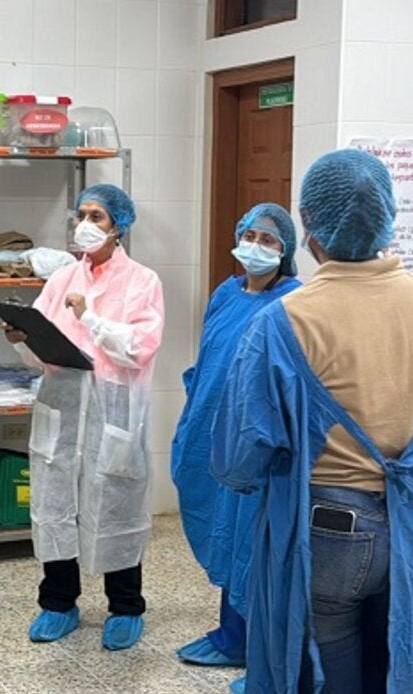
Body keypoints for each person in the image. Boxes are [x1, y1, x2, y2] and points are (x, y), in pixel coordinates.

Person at [212, 149, 413, 693]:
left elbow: (239, 460)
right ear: (389, 217)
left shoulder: (284, 321)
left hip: (330, 534)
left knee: (327, 674)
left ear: (309, 226)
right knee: (397, 667)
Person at [1, 184, 165, 651]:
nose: (86, 226)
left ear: (120, 227)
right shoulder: (60, 280)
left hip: (113, 409)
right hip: (62, 402)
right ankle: (58, 602)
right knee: (54, 504)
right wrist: (20, 338)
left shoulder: (142, 281)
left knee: (115, 502)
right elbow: (39, 357)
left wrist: (90, 317)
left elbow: (138, 348)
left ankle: (126, 605)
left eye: (98, 217)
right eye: (82, 215)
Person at [172, 203, 302, 681]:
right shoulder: (226, 293)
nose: (255, 246)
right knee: (226, 537)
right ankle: (232, 636)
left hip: (259, 446)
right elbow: (210, 356)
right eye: (249, 235)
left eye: (268, 240)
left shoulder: (294, 301)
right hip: (212, 431)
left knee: (257, 545)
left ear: (286, 251)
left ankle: (267, 653)